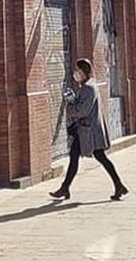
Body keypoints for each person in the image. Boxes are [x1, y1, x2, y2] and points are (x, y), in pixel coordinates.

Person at [50, 58, 128, 201]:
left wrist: (70, 105)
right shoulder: (86, 86)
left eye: (77, 70)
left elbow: (82, 111)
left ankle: (118, 185)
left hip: (89, 131)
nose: (75, 73)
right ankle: (65, 188)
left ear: (83, 71)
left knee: (97, 157)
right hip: (86, 130)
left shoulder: (88, 88)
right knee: (81, 157)